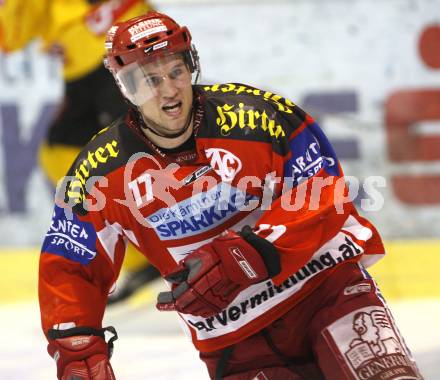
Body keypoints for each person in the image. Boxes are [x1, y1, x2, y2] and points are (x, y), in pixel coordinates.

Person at [38, 11, 424, 380]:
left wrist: (253, 251)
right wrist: (76, 341)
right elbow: (70, 261)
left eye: (176, 71)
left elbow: (324, 194)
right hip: (236, 342)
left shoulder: (261, 116)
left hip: (328, 294)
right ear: (125, 87)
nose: (170, 88)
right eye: (150, 80)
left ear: (192, 65)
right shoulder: (99, 170)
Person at [0, 0, 160, 304]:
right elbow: (11, 38)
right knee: (63, 152)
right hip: (82, 76)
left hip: (125, 58)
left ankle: (195, 241)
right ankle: (146, 258)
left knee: (151, 150)